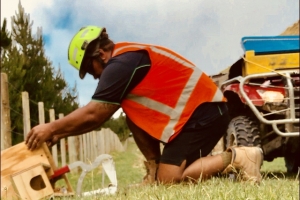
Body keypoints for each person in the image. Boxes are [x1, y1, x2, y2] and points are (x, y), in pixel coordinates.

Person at [25, 26, 263, 184]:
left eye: (90, 70)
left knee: (169, 181)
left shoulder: (121, 64)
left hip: (206, 113)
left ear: (100, 54)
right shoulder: (125, 58)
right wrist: (61, 131)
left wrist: (52, 128)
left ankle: (240, 157)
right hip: (198, 115)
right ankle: (154, 170)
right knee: (130, 111)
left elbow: (96, 114)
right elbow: (104, 113)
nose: (94, 77)